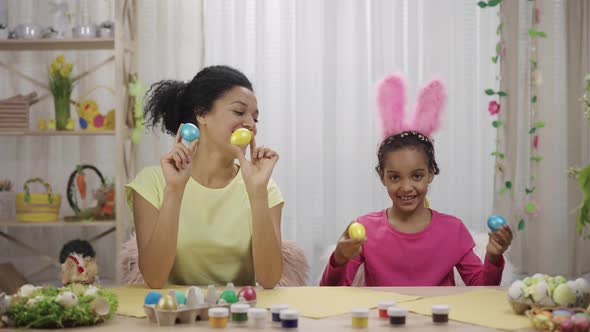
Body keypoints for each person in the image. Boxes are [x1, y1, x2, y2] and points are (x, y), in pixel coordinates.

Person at [320, 75, 513, 286]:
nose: (406, 187)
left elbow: (481, 291)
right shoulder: (365, 229)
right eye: (394, 177)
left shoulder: (452, 230)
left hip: (439, 319)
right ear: (382, 177)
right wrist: (338, 259)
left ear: (431, 173)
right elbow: (332, 294)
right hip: (385, 318)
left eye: (417, 176)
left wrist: (493, 257)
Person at [126, 65, 284, 289]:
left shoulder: (264, 186)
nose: (250, 124)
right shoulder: (152, 182)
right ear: (201, 114)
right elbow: (154, 277)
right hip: (175, 315)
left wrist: (257, 194)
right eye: (239, 112)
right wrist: (174, 190)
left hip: (238, 315)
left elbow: (269, 279)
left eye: (255, 119)